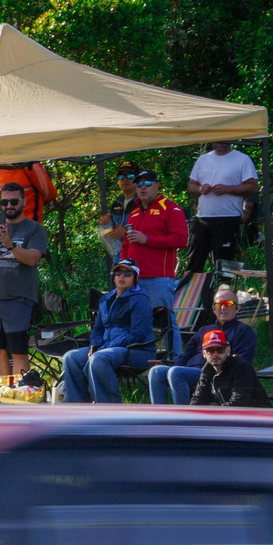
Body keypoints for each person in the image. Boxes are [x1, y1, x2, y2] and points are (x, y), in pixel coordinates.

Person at [0, 182, 48, 387]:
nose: (9, 206)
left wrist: (10, 245)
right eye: (4, 202)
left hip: (18, 299)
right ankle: (3, 396)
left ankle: (19, 397)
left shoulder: (34, 229)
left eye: (13, 201)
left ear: (23, 201)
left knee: (18, 351)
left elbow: (32, 258)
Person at [60, 260, 155, 403]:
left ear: (135, 277)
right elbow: (98, 328)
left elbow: (138, 335)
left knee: (99, 358)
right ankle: (78, 405)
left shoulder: (140, 300)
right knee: (71, 357)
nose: (121, 276)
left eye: (127, 273)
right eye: (118, 272)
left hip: (138, 350)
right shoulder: (106, 299)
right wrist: (95, 345)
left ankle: (109, 407)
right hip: (108, 348)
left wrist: (105, 348)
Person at [150, 284, 258, 405]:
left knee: (176, 373)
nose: (222, 307)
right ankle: (159, 417)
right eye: (218, 304)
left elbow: (243, 361)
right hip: (189, 371)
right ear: (213, 309)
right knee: (156, 371)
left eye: (228, 304)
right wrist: (171, 365)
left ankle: (183, 418)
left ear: (237, 308)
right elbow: (186, 355)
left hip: (215, 373)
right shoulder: (204, 330)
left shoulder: (244, 331)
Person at [121, 170, 190, 354]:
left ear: (157, 186)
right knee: (139, 321)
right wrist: (122, 270)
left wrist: (148, 240)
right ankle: (147, 358)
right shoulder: (134, 213)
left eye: (148, 183)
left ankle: (175, 359)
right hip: (134, 279)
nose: (143, 187)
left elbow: (181, 240)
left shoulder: (171, 209)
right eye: (139, 184)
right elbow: (126, 245)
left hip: (158, 277)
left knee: (165, 321)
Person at [185, 142, 259, 274]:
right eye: (216, 141)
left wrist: (228, 189)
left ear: (231, 140)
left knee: (225, 266)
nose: (219, 143)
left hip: (228, 218)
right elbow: (191, 185)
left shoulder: (242, 159)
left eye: (223, 140)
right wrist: (200, 188)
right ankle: (193, 292)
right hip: (202, 218)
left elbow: (253, 187)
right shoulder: (203, 159)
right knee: (194, 262)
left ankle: (225, 291)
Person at [188, 327, 271, 406]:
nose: (215, 354)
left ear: (228, 351)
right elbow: (198, 398)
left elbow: (239, 402)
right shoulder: (207, 370)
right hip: (231, 416)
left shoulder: (241, 368)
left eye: (220, 350)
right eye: (210, 350)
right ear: (204, 354)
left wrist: (213, 414)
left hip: (257, 416)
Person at [98, 162, 142, 261]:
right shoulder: (117, 203)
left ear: (138, 178)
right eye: (121, 176)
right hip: (120, 258)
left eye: (130, 175)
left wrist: (127, 233)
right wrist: (106, 225)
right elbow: (109, 234)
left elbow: (153, 231)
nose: (125, 179)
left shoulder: (144, 201)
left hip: (140, 258)